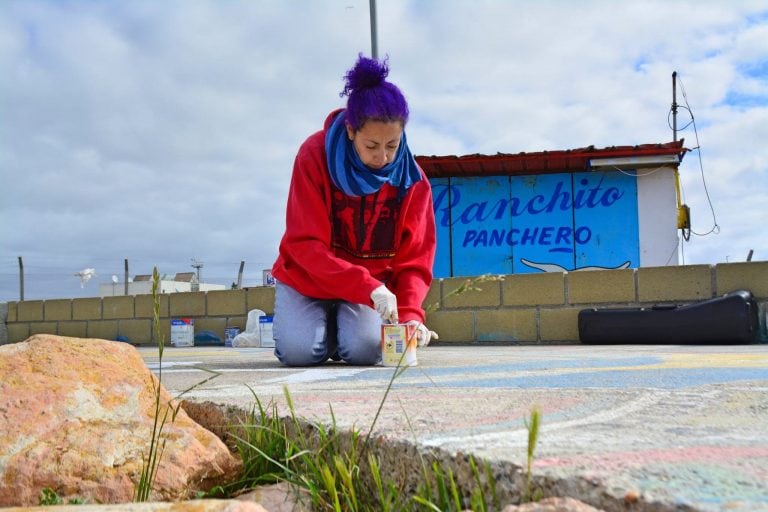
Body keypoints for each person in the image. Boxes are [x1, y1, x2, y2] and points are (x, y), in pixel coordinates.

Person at [271, 54, 438, 366]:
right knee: (299, 352)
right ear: (351, 130)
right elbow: (305, 245)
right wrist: (367, 286)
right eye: (372, 146)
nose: (384, 158)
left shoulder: (412, 180)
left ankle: (342, 334)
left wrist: (412, 314)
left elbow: (416, 258)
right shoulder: (313, 156)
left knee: (365, 350)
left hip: (368, 288)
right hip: (310, 279)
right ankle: (323, 331)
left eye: (393, 144)